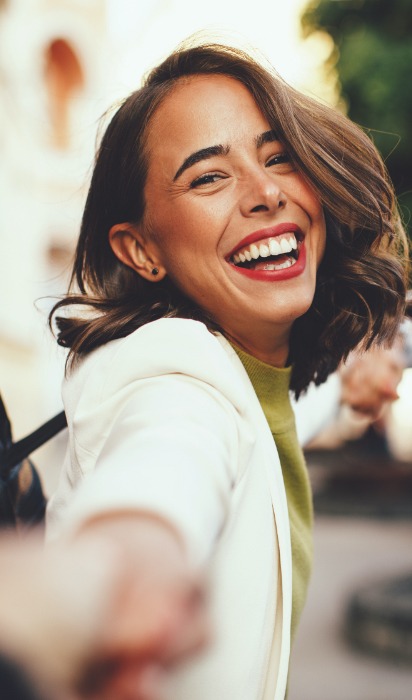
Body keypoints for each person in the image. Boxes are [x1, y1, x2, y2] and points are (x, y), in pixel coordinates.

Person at [46, 42, 408, 700]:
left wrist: (353, 386)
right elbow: (170, 459)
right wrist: (125, 562)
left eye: (279, 157)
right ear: (141, 249)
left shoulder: (256, 376)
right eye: (208, 176)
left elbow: (281, 417)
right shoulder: (173, 377)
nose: (266, 192)